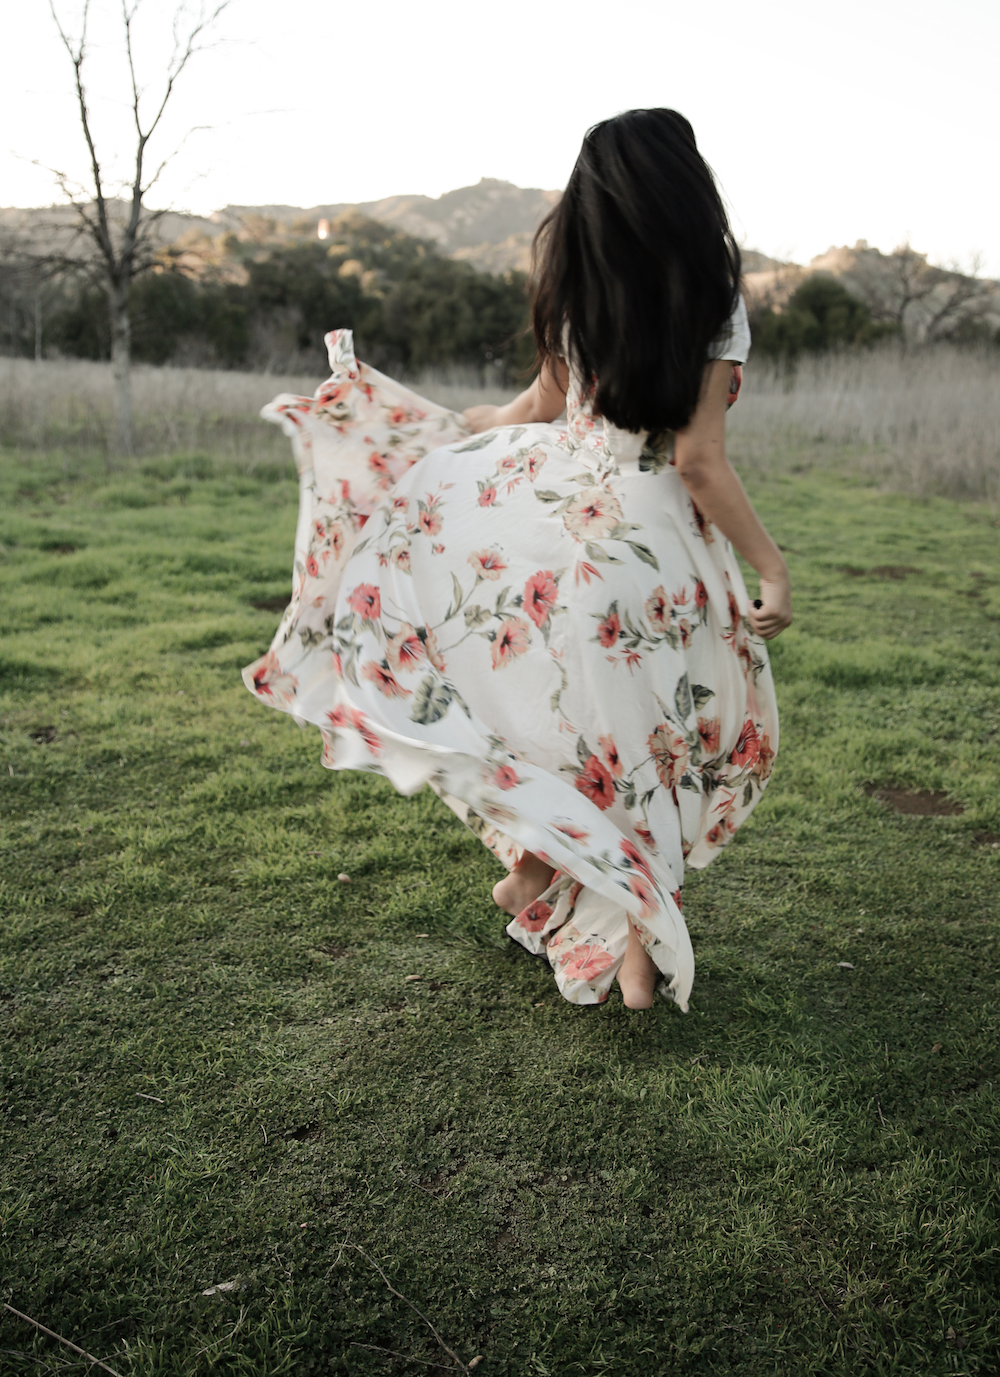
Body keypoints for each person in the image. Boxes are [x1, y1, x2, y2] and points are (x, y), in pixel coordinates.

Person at [244, 108, 791, 1011]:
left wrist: (447, 433)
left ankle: (537, 874)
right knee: (661, 745)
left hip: (567, 546)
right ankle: (637, 959)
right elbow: (698, 460)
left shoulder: (577, 287)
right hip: (658, 563)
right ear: (687, 190)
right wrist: (770, 565)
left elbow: (533, 408)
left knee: (591, 737)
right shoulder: (712, 296)